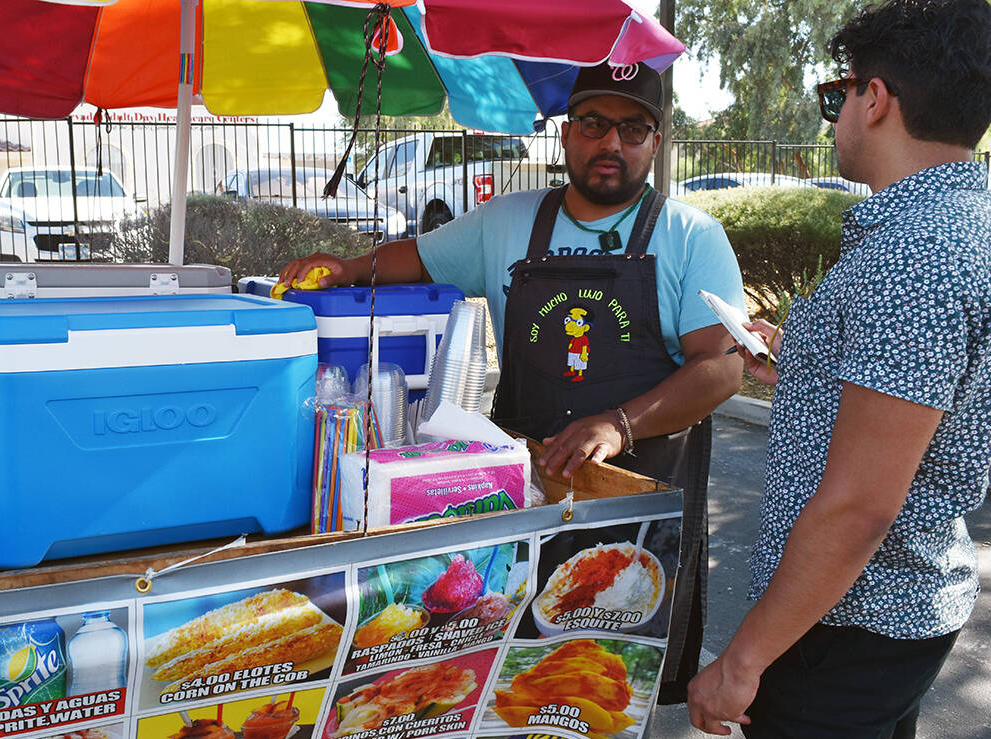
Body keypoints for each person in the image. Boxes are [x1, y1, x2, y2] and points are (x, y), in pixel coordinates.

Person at [281, 62, 745, 702]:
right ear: (566, 133)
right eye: (593, 123)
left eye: (632, 129)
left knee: (610, 683)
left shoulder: (693, 237)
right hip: (522, 489)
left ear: (656, 141)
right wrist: (347, 267)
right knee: (507, 676)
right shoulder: (508, 221)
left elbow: (722, 366)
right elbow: (415, 257)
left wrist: (620, 422)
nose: (611, 143)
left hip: (638, 494)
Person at [686, 0, 991, 739]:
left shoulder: (914, 254)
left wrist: (743, 659)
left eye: (838, 95)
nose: (836, 117)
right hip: (896, 609)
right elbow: (927, 401)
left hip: (847, 623)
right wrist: (809, 368)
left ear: (876, 99)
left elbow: (859, 505)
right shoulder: (959, 224)